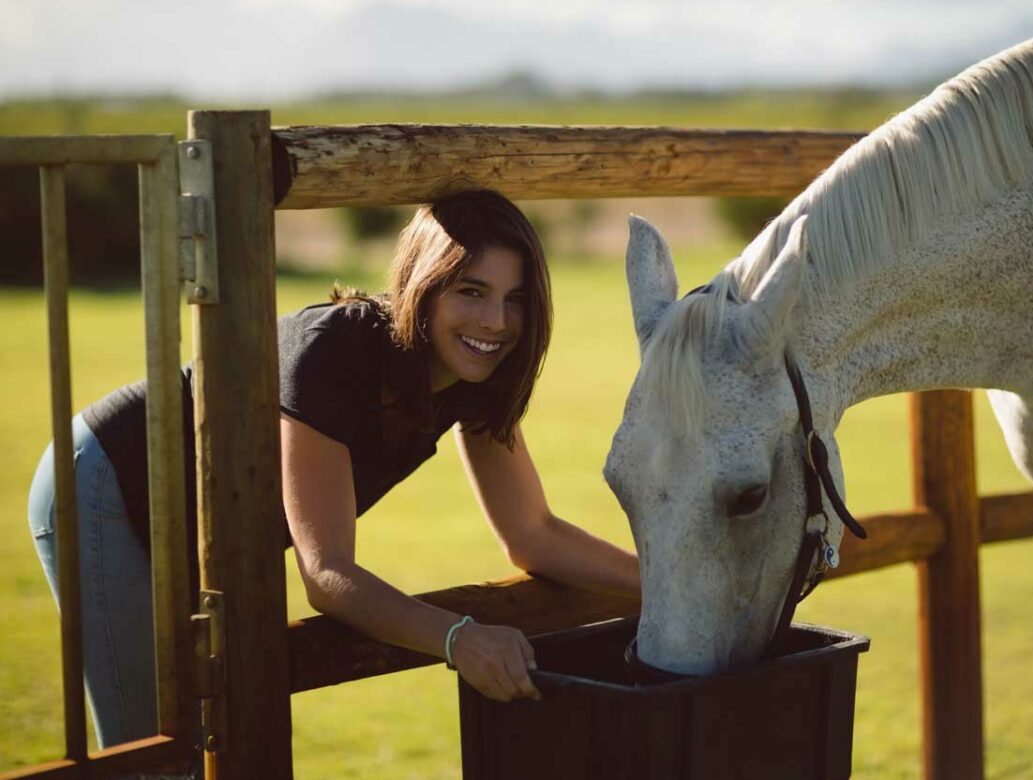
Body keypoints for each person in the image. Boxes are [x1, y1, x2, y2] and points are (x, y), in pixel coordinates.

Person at [27, 189, 641, 758]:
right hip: (107, 482)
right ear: (422, 286)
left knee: (208, 748)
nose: (496, 323)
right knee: (156, 755)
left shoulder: (474, 378)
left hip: (201, 519)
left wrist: (666, 581)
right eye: (471, 292)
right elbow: (326, 573)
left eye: (515, 300)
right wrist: (461, 638)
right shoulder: (335, 353)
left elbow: (532, 533)